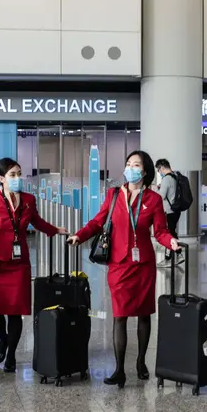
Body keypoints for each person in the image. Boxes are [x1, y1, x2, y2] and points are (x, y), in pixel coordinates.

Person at [68, 151, 179, 388]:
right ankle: (119, 369)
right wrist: (80, 235)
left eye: (136, 165)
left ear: (145, 171)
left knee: (144, 314)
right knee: (119, 315)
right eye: (128, 164)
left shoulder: (154, 199)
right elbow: (98, 221)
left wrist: (171, 242)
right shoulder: (114, 194)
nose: (131, 168)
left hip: (143, 265)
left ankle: (140, 361)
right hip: (118, 264)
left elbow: (160, 230)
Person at [0, 158, 68, 373]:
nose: (18, 178)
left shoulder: (28, 200)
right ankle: (3, 339)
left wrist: (54, 230)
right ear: (1, 179)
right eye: (12, 175)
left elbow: (36, 221)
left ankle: (11, 355)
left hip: (19, 264)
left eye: (19, 173)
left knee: (15, 313)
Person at [154, 158, 184, 266]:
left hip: (169, 211)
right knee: (172, 232)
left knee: (169, 234)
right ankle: (178, 254)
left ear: (162, 167)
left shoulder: (166, 179)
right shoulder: (175, 176)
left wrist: (155, 190)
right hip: (176, 210)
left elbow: (160, 196)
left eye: (158, 169)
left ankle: (168, 259)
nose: (159, 172)